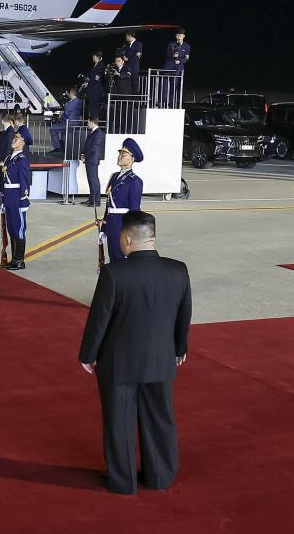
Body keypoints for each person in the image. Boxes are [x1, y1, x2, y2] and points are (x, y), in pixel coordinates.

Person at [79, 210, 192, 495]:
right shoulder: (178, 270)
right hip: (161, 359)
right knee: (160, 419)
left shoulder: (115, 273)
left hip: (119, 363)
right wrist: (179, 349)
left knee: (119, 421)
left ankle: (123, 481)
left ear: (127, 239)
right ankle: (160, 476)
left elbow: (100, 318)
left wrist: (87, 354)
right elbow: (183, 315)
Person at [102, 138, 144, 262]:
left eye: (124, 154)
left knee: (122, 260)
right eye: (120, 153)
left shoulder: (135, 181)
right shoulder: (114, 176)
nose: (120, 156)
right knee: (112, 258)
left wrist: (131, 234)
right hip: (111, 225)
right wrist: (104, 226)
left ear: (132, 159)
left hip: (122, 226)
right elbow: (109, 204)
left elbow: (135, 210)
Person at [0, 130, 32, 270]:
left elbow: (25, 181)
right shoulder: (8, 159)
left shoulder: (22, 160)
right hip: (8, 198)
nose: (14, 140)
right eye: (14, 137)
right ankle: (13, 258)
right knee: (11, 228)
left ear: (23, 143)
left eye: (17, 139)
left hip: (18, 199)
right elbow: (3, 180)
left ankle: (19, 260)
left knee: (19, 229)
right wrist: (2, 197)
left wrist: (24, 200)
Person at [80, 116, 105, 206]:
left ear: (92, 122)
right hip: (90, 158)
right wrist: (83, 154)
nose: (87, 124)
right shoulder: (93, 132)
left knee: (93, 180)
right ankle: (92, 199)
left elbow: (94, 147)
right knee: (92, 180)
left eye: (88, 122)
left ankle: (95, 200)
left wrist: (86, 155)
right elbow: (88, 145)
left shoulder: (98, 133)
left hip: (92, 159)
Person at [51, 87, 83, 152]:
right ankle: (62, 146)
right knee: (60, 128)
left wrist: (61, 115)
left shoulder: (69, 104)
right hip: (77, 123)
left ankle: (58, 147)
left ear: (71, 93)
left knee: (53, 129)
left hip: (70, 124)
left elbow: (66, 115)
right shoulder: (80, 102)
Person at [162, 28, 190, 103]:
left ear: (184, 36)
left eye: (180, 35)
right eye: (177, 35)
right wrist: (172, 55)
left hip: (177, 68)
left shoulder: (187, 46)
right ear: (176, 36)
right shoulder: (171, 44)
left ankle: (171, 103)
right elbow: (167, 55)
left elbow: (186, 58)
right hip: (169, 66)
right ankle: (162, 101)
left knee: (174, 86)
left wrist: (180, 61)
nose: (179, 37)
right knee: (164, 85)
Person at [86, 51, 106, 120]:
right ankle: (92, 123)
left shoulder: (101, 65)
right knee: (92, 107)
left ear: (95, 56)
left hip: (96, 89)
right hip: (92, 89)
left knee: (95, 107)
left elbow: (97, 78)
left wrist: (89, 82)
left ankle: (95, 123)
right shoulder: (95, 65)